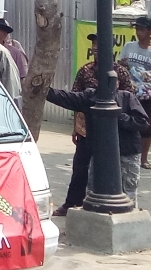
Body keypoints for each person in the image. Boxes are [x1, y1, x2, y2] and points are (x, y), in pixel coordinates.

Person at [52, 33, 133, 216]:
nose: (95, 47)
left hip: (112, 131)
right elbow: (75, 99)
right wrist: (76, 127)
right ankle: (71, 204)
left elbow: (128, 99)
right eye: (94, 44)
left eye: (99, 44)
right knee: (80, 168)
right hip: (86, 129)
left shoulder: (120, 72)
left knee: (111, 169)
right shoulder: (85, 70)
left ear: (110, 48)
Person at [45, 78, 148, 207]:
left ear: (117, 84)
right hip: (100, 153)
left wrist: (117, 116)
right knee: (94, 191)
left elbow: (142, 122)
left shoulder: (127, 97)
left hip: (127, 152)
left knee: (128, 192)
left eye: (113, 82)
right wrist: (43, 88)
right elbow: (65, 97)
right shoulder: (90, 97)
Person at [118, 16, 151, 170]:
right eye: (137, 29)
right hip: (129, 92)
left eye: (142, 29)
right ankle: (124, 154)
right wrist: (123, 64)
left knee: (146, 126)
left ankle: (143, 159)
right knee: (127, 122)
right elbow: (119, 64)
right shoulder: (129, 46)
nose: (138, 32)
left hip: (147, 95)